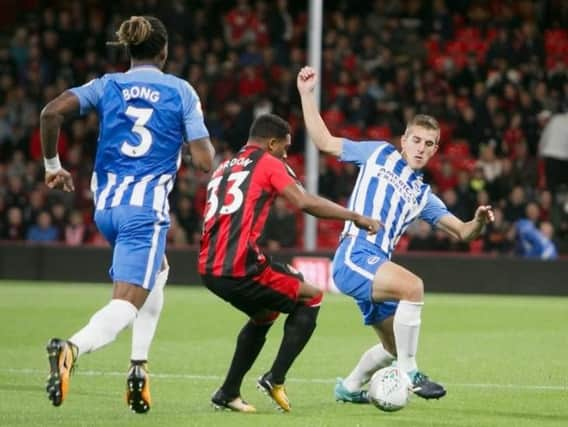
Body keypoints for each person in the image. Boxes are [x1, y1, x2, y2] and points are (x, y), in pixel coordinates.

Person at [41, 16, 214, 413]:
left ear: (129, 51)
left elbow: (51, 113)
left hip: (107, 209)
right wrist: (188, 141)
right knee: (126, 303)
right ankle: (71, 348)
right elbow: (205, 161)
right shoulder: (180, 91)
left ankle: (139, 368)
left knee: (160, 271)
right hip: (145, 211)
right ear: (165, 51)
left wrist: (53, 165)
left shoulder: (107, 84)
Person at [297, 66, 495, 403]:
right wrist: (306, 93)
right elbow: (325, 142)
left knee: (392, 346)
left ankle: (348, 387)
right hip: (355, 255)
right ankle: (410, 372)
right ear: (403, 140)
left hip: (377, 266)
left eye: (429, 144)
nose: (421, 148)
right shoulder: (379, 154)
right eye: (416, 140)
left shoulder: (423, 195)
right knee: (413, 287)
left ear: (434, 151)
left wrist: (479, 221)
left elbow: (462, 233)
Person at [198, 113, 380, 413]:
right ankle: (275, 378)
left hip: (208, 267)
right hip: (239, 266)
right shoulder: (269, 162)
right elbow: (305, 202)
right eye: (285, 146)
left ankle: (228, 392)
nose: (287, 153)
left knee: (265, 312)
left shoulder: (224, 167)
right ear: (271, 143)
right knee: (311, 296)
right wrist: (356, 217)